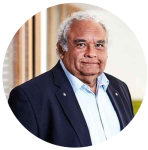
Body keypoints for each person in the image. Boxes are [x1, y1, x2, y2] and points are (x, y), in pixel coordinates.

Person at [8, 11, 134, 147]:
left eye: (99, 45)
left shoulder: (120, 88)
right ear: (61, 50)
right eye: (81, 44)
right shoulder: (28, 97)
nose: (91, 53)